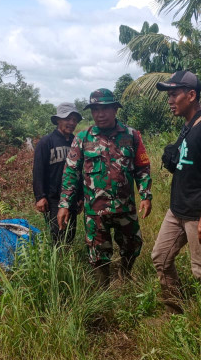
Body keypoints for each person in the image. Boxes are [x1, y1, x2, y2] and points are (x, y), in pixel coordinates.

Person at [58, 89, 152, 285]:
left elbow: (142, 167)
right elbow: (71, 172)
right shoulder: (83, 138)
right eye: (95, 110)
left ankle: (124, 274)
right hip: (95, 209)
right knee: (97, 252)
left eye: (105, 109)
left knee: (133, 245)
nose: (99, 114)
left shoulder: (131, 136)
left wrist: (145, 195)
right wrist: (65, 204)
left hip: (125, 207)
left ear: (115, 109)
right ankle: (104, 288)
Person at [151, 70, 201, 312]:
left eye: (174, 95)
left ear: (191, 95)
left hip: (197, 213)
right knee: (160, 259)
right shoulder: (188, 125)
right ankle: (177, 308)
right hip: (177, 211)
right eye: (168, 96)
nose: (170, 101)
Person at [32, 103, 83, 245]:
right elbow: (38, 171)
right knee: (58, 234)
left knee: (70, 233)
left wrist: (80, 196)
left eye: (74, 120)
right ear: (58, 120)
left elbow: (80, 171)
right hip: (53, 197)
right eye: (68, 119)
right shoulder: (46, 142)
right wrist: (40, 196)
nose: (71, 123)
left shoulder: (76, 142)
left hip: (72, 196)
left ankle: (66, 260)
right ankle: (58, 263)